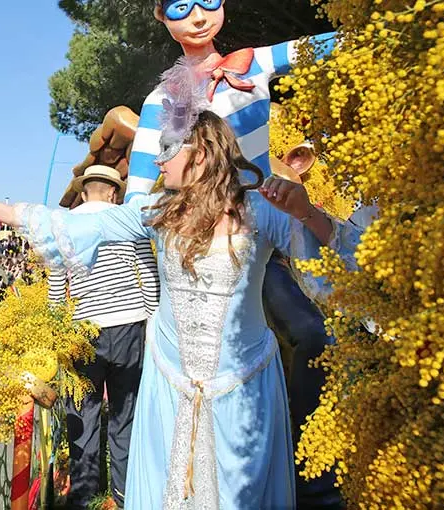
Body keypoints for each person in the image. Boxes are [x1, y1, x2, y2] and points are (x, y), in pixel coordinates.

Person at [0, 95, 361, 507]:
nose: (158, 162)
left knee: (243, 490)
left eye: (168, 150)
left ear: (200, 153)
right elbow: (80, 222)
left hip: (245, 385)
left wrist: (307, 212)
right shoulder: (158, 211)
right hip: (170, 384)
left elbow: (344, 265)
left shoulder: (263, 210)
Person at [125, 3, 341, 506]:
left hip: (254, 235)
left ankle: (311, 474)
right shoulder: (161, 98)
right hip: (190, 244)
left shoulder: (254, 64)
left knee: (314, 333)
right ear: (162, 17)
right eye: (182, 5)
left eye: (210, 1)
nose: (199, 14)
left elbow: (335, 44)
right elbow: (138, 195)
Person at [48, 165, 160, 509]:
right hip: (129, 326)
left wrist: (57, 331)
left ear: (84, 193)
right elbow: (149, 276)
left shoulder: (63, 226)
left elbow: (56, 288)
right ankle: (124, 495)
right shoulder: (128, 221)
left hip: (84, 331)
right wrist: (152, 323)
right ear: (114, 192)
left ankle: (84, 497)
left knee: (82, 416)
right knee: (125, 416)